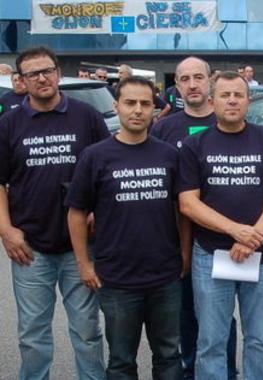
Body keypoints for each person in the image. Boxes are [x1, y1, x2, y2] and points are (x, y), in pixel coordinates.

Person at [0, 46, 109, 380]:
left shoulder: (86, 116)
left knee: (87, 331)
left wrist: (99, 213)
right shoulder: (8, 123)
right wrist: (6, 230)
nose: (42, 78)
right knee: (33, 335)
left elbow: (108, 169)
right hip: (30, 247)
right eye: (33, 74)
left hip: (80, 246)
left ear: (58, 73)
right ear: (21, 80)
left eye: (47, 70)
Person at [177, 71, 263, 380]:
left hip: (262, 256)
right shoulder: (194, 144)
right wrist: (235, 230)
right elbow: (188, 203)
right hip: (211, 256)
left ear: (248, 100)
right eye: (225, 95)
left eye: (238, 95)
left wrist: (253, 237)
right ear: (212, 101)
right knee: (211, 342)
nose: (232, 100)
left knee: (259, 340)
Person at [66, 76, 184, 380]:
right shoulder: (95, 156)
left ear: (154, 109)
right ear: (116, 106)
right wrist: (84, 265)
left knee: (169, 356)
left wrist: (184, 254)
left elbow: (181, 209)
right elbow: (77, 212)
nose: (138, 110)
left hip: (165, 276)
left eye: (145, 104)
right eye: (130, 103)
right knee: (120, 361)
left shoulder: (169, 155)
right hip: (117, 278)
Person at [150, 56, 239, 380]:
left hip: (225, 241)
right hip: (179, 237)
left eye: (198, 77)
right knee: (186, 312)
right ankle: (192, 370)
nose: (192, 84)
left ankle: (226, 371)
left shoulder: (230, 120)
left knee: (221, 316)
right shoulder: (163, 128)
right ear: (177, 84)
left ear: (210, 80)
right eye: (184, 79)